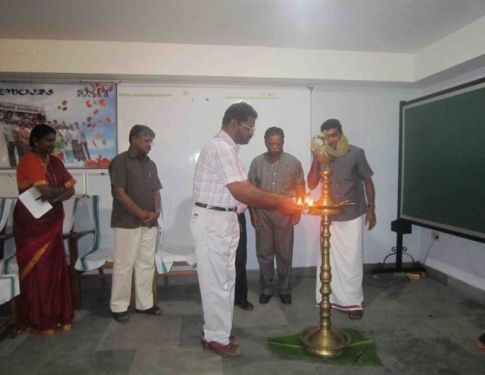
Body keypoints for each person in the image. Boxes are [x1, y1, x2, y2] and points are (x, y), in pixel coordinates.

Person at [191, 102, 298, 358]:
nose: (252, 132)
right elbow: (242, 191)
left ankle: (218, 331)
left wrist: (275, 200)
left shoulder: (232, 150)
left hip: (225, 220)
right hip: (213, 220)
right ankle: (214, 337)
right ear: (234, 124)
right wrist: (282, 201)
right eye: (250, 127)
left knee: (226, 281)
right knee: (216, 283)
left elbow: (246, 187)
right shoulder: (219, 148)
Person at [307, 119, 376, 320]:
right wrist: (314, 158)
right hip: (328, 216)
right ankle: (327, 298)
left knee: (351, 260)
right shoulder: (322, 155)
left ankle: (353, 302)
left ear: (341, 134)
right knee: (327, 260)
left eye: (334, 135)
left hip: (352, 214)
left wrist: (371, 209)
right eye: (326, 136)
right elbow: (311, 184)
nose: (331, 140)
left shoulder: (356, 153)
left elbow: (368, 182)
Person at [13, 124, 76, 335]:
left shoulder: (55, 161)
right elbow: (47, 192)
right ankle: (39, 318)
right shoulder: (29, 160)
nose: (52, 143)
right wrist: (58, 193)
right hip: (32, 223)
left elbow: (71, 189)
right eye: (48, 140)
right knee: (39, 269)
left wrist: (55, 194)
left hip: (52, 220)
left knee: (55, 267)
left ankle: (58, 315)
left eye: (53, 139)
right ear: (36, 141)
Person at [109, 124, 162, 323]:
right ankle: (119, 306)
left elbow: (156, 191)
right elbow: (119, 194)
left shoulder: (151, 164)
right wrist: (141, 214)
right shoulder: (120, 161)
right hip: (126, 222)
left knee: (146, 264)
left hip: (149, 223)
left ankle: (144, 303)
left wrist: (155, 213)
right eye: (147, 140)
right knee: (124, 265)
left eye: (151, 141)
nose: (150, 144)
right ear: (133, 140)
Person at [248, 127, 305, 305]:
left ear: (283, 142)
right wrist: (253, 213)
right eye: (271, 144)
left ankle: (284, 289)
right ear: (265, 143)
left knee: (284, 254)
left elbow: (300, 188)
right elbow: (250, 190)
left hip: (285, 213)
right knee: (264, 254)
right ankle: (267, 288)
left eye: (278, 144)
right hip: (263, 213)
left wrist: (298, 210)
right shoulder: (257, 162)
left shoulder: (293, 162)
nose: (274, 147)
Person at [234, 208, 254, 311]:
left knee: (240, 259)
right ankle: (225, 298)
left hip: (236, 215)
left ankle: (241, 298)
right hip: (218, 217)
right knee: (221, 262)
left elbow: (245, 197)